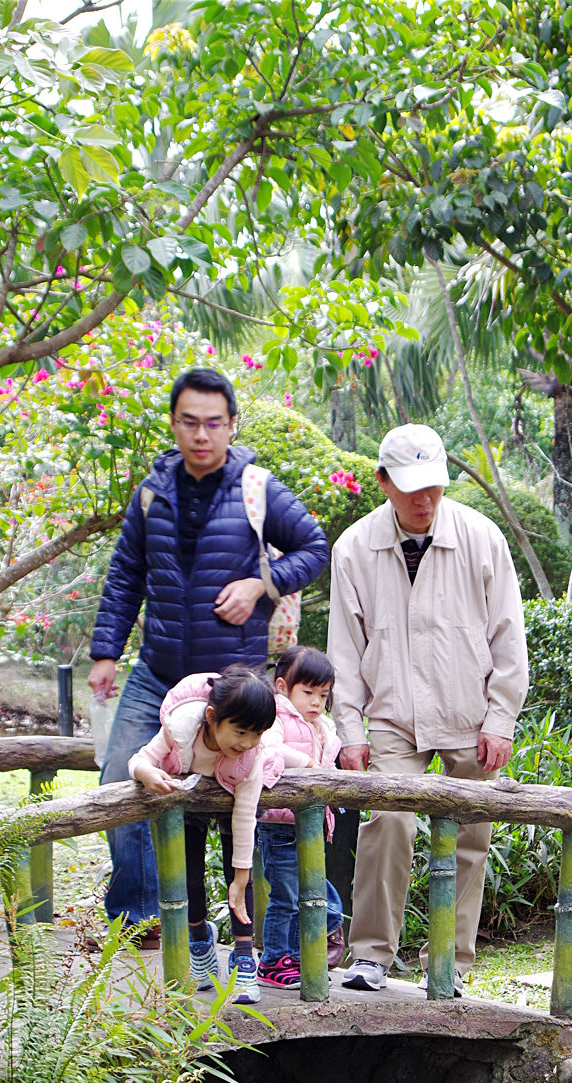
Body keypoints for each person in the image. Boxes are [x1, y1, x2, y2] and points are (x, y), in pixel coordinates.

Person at [87, 366, 328, 939]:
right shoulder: (152, 494)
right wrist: (104, 652)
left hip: (230, 680)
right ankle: (142, 919)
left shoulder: (257, 486)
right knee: (118, 784)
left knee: (236, 799)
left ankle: (248, 931)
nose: (201, 435)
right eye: (189, 422)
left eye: (213, 423)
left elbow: (315, 547)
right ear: (174, 424)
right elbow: (125, 576)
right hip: (157, 672)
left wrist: (261, 585)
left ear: (231, 425)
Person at [327, 422, 529, 994]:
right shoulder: (353, 549)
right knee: (388, 822)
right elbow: (345, 647)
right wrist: (349, 730)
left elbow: (508, 636)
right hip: (392, 713)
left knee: (472, 836)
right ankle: (369, 954)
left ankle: (451, 963)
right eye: (411, 487)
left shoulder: (483, 538)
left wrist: (501, 718)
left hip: (470, 712)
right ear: (383, 481)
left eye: (435, 486)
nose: (425, 501)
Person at [128, 665, 281, 1001]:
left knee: (240, 880)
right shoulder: (181, 728)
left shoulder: (250, 757)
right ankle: (200, 943)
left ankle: (243, 957)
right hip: (188, 801)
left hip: (233, 800)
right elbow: (140, 759)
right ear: (212, 716)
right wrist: (147, 773)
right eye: (241, 732)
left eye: (258, 734)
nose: (249, 742)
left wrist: (241, 876)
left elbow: (244, 816)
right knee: (190, 877)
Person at [256, 645, 347, 988]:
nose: (315, 702)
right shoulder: (274, 718)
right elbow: (269, 750)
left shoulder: (320, 725)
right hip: (279, 826)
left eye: (322, 695)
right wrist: (308, 765)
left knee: (317, 899)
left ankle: (295, 956)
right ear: (282, 687)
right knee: (286, 898)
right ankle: (274, 960)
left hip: (309, 827)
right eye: (307, 692)